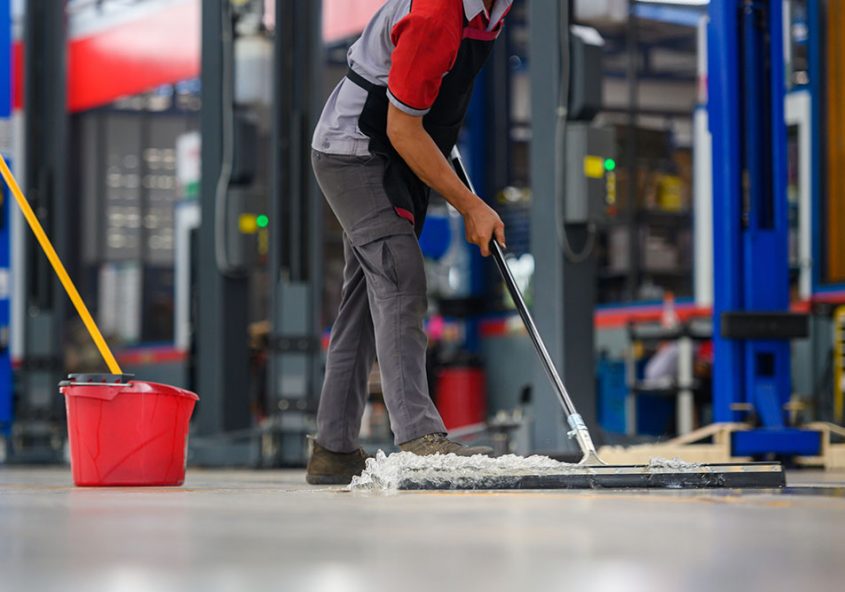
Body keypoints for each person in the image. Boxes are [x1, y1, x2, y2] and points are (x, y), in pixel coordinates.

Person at [306, 0, 512, 485]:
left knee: (362, 305)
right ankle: (419, 440)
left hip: (396, 147)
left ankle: (333, 451)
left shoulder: (494, 9)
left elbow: (439, 87)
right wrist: (470, 205)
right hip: (355, 150)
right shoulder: (434, 13)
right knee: (399, 274)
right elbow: (402, 125)